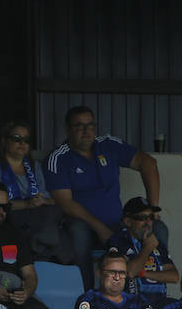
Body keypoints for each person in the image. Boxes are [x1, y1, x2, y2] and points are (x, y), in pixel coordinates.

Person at [44, 106, 164, 288]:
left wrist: (152, 211)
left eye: (90, 125)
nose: (86, 131)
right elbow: (66, 203)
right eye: (79, 126)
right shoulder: (58, 158)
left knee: (158, 228)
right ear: (67, 130)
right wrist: (100, 228)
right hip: (81, 226)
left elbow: (148, 163)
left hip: (117, 222)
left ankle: (153, 292)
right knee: (79, 231)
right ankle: (85, 297)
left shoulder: (108, 145)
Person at [0, 119, 72, 264]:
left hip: (37, 215)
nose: (22, 143)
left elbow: (48, 197)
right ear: (5, 141)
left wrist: (42, 200)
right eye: (17, 139)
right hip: (9, 215)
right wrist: (27, 205)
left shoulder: (34, 165)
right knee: (55, 232)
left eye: (26, 140)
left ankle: (39, 246)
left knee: (54, 210)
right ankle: (43, 250)